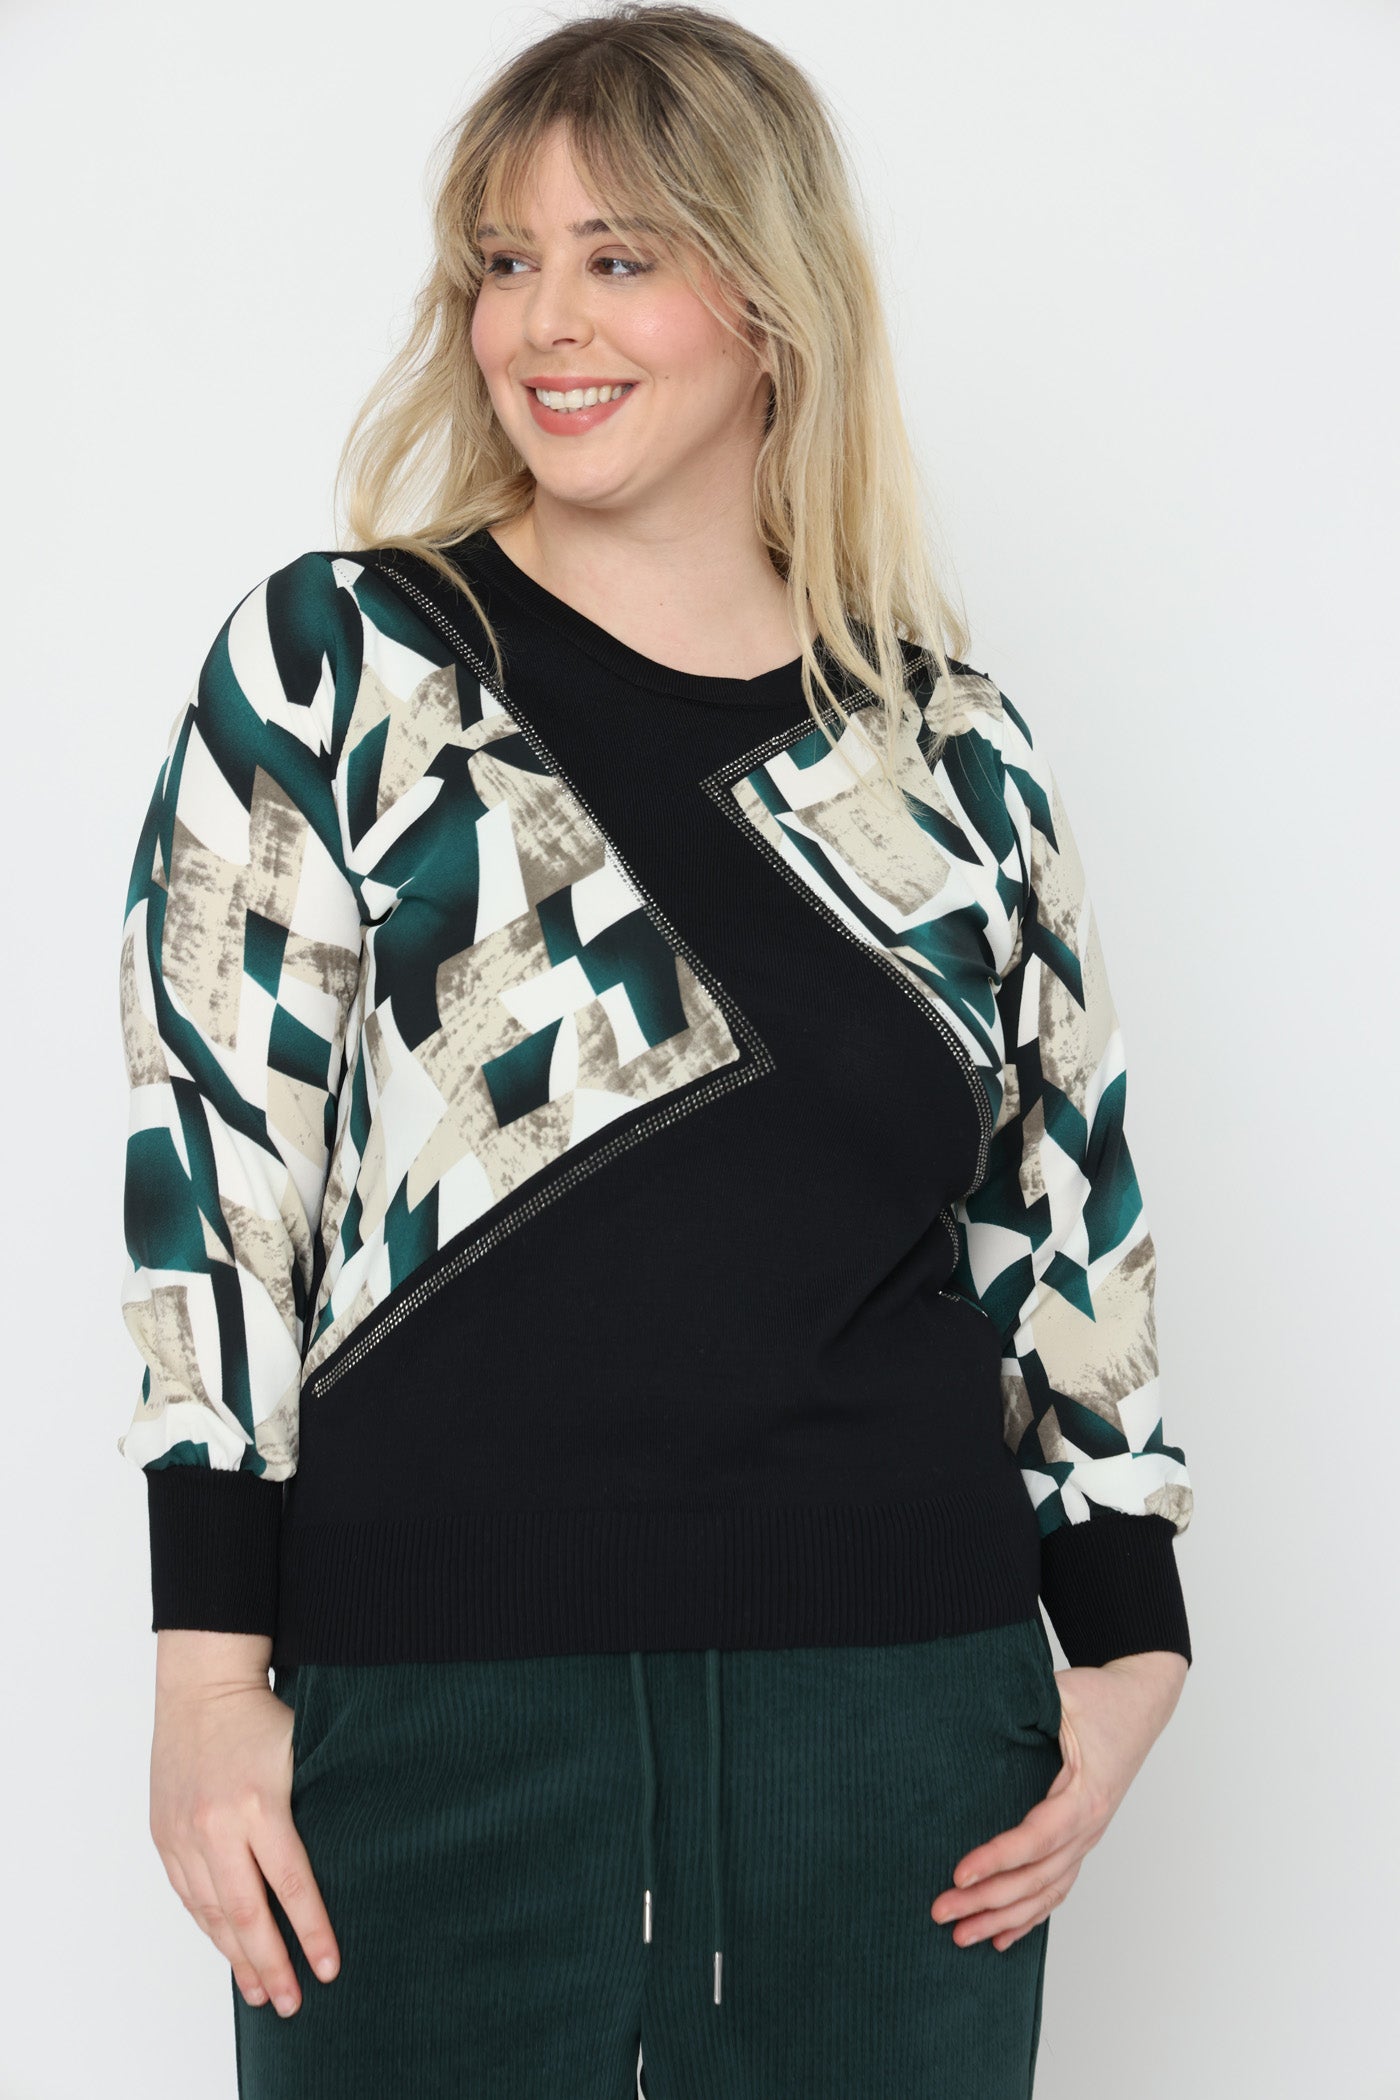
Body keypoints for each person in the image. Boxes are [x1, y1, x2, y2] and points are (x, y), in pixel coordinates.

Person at [116, 6, 1194, 2094]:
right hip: (422, 1720)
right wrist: (207, 1676)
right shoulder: (343, 667)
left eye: (619, 256)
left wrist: (1130, 1635)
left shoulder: (949, 752)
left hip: (900, 1731)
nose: (545, 321)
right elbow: (217, 1180)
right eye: (504, 261)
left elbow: (1063, 1199)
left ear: (770, 301)